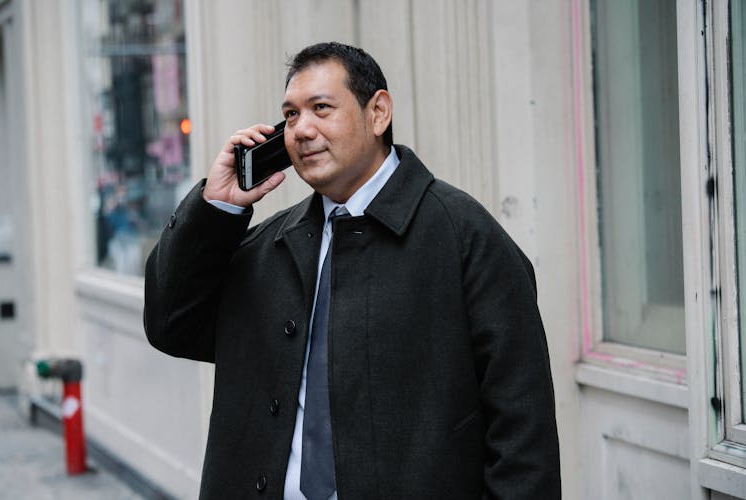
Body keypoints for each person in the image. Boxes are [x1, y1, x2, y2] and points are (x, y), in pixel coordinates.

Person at [144, 42, 561, 499]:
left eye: (321, 108)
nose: (301, 130)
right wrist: (215, 209)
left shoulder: (463, 236)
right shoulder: (269, 246)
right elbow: (172, 326)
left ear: (378, 112)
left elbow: (523, 432)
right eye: (290, 115)